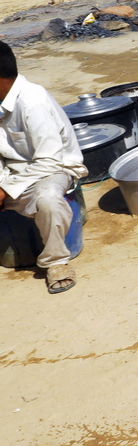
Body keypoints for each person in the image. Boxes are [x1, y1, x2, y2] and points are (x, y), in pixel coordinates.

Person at [0, 42, 87, 293]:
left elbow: (49, 161)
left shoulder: (32, 102)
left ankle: (56, 262)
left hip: (52, 170)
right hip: (14, 172)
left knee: (47, 199)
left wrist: (5, 191)